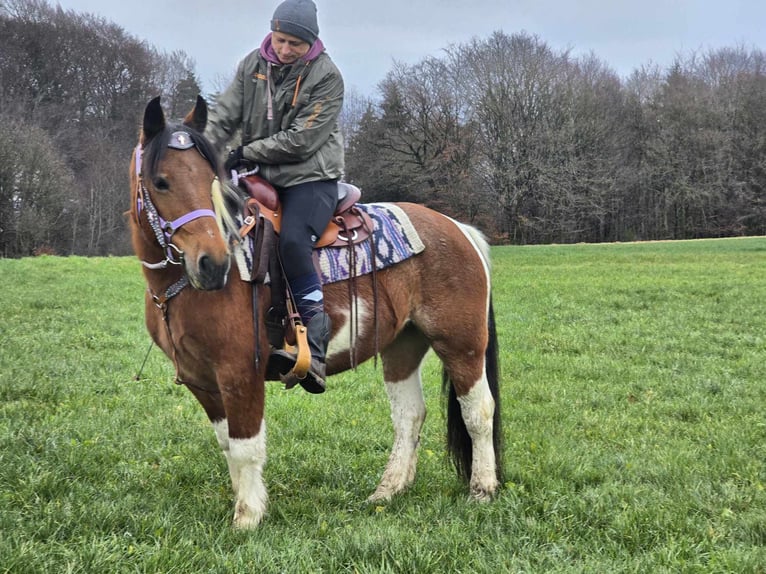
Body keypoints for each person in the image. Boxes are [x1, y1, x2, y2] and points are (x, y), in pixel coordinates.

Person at [205, 0, 344, 393]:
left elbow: (303, 140)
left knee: (295, 243)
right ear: (272, 33)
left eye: (295, 44)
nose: (285, 50)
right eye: (281, 40)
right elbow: (224, 115)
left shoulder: (327, 76)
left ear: (311, 43)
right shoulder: (252, 64)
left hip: (310, 177)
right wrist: (203, 148)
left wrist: (247, 152)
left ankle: (314, 346)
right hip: (256, 174)